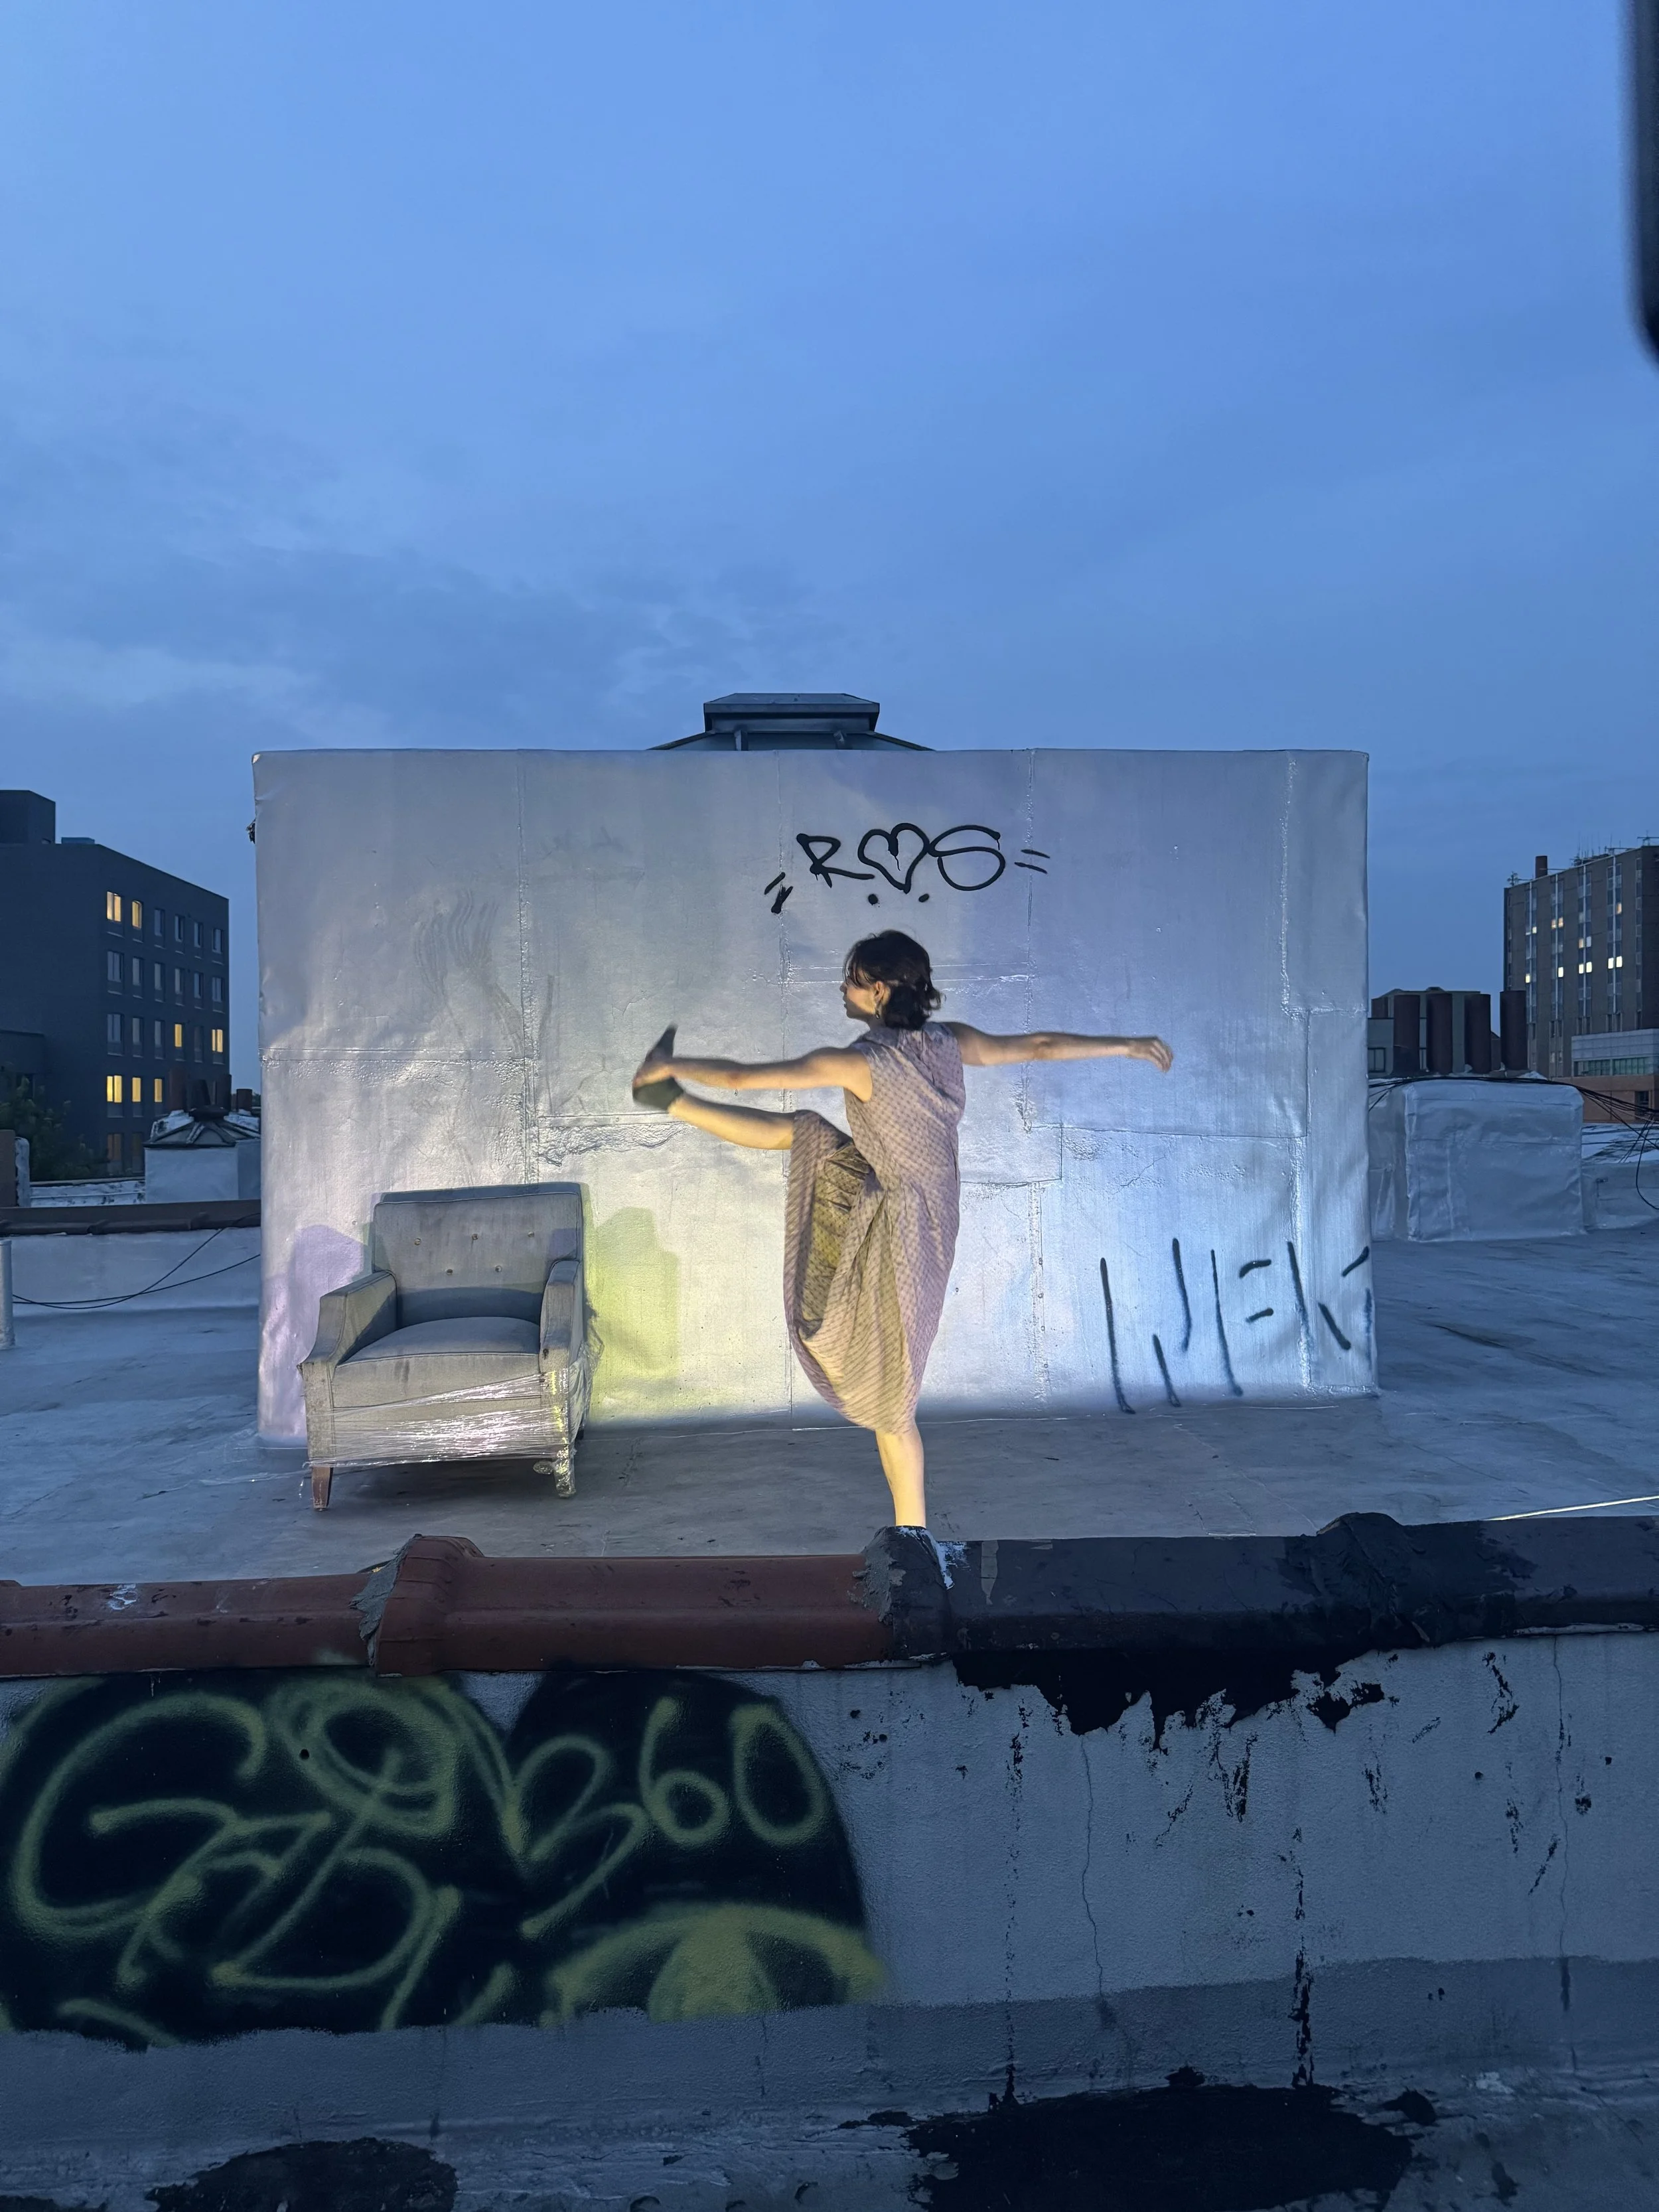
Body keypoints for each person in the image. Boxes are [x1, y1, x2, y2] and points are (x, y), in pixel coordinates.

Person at [630, 930, 1172, 1529]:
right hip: (926, 1204)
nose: (843, 987)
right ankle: (668, 1100)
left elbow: (740, 1077)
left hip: (904, 1226)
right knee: (808, 1131)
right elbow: (1039, 1046)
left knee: (895, 1393)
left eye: (852, 978)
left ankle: (912, 1535)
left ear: (880, 990)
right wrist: (1127, 1044)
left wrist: (671, 1059)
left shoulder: (861, 1062)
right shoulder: (947, 1040)